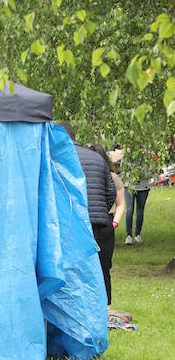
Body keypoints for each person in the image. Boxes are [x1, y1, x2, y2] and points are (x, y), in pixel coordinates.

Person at [58, 122, 116, 304]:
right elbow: (111, 193)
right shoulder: (97, 158)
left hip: (74, 225)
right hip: (102, 224)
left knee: (75, 271)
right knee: (102, 269)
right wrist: (99, 211)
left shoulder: (58, 158)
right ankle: (105, 311)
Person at [123, 166, 152, 245]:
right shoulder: (127, 156)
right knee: (129, 210)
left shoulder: (146, 158)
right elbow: (124, 170)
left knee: (140, 212)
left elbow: (151, 172)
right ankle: (129, 236)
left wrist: (140, 174)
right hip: (129, 187)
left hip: (143, 188)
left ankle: (137, 235)